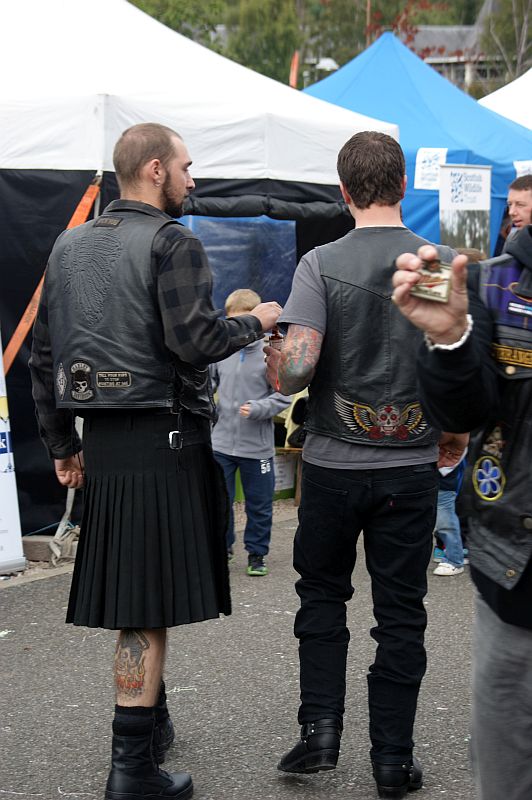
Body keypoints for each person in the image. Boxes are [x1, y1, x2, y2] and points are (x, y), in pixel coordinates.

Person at [29, 122, 282, 800]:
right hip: (163, 443)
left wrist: (62, 446)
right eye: (186, 167)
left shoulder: (68, 243)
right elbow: (194, 341)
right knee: (143, 609)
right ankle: (131, 772)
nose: (193, 179)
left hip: (105, 447)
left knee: (140, 596)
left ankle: (154, 725)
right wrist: (258, 321)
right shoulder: (174, 242)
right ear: (152, 170)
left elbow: (43, 361)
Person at [264, 130, 465, 799]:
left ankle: (320, 730)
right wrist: (454, 429)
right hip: (408, 466)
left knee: (322, 596)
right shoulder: (429, 263)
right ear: (404, 185)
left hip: (329, 465)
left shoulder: (319, 263)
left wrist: (275, 358)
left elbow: (296, 372)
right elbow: (448, 354)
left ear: (343, 191)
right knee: (401, 614)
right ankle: (390, 760)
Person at [392, 222, 532, 800]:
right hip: (519, 580)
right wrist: (448, 340)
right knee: (508, 776)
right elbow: (465, 410)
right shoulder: (498, 282)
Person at [210, 288, 291, 576]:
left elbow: (284, 395)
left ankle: (257, 555)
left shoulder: (271, 352)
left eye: (246, 322)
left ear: (261, 321)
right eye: (233, 323)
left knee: (259, 505)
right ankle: (224, 549)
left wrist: (257, 408)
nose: (240, 330)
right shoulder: (220, 352)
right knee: (220, 502)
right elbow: (208, 389)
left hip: (257, 449)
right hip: (220, 445)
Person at [433, 447, 468, 576]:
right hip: (427, 470)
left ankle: (454, 559)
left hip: (444, 472)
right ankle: (444, 550)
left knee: (445, 520)